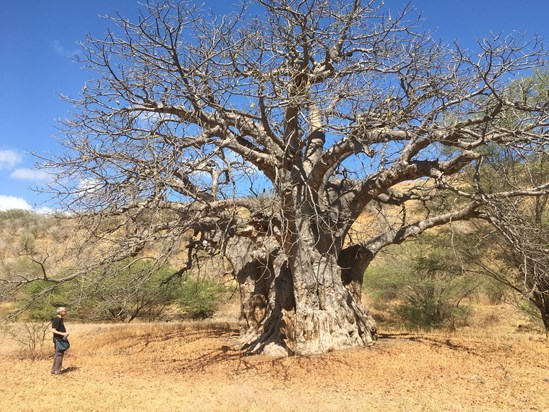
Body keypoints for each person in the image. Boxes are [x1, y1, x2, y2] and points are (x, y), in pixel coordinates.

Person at [51, 306, 69, 375]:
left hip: (60, 339)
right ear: (61, 312)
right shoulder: (57, 319)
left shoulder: (60, 319)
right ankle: (57, 371)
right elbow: (53, 330)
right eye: (64, 311)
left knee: (57, 354)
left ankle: (54, 370)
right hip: (58, 340)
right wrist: (63, 333)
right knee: (59, 355)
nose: (65, 312)